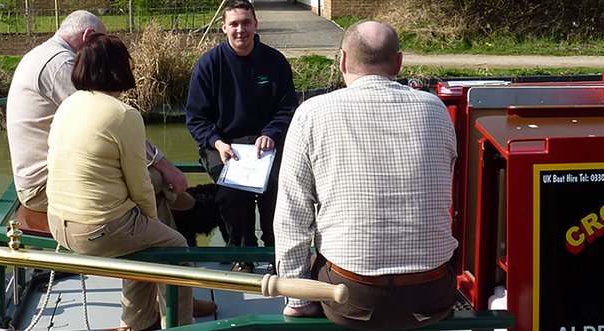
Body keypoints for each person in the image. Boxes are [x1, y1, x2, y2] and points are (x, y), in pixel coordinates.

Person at [6, 10, 214, 320]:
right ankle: (176, 309)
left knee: (149, 214)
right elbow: (136, 177)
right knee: (170, 238)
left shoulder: (62, 86)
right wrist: (153, 207)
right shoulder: (91, 88)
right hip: (59, 197)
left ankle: (145, 313)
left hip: (60, 199)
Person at [273, 21, 459, 330]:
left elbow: (291, 217)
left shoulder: (311, 113)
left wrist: (298, 300)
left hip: (350, 296)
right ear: (399, 63)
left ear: (342, 60)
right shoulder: (435, 109)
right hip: (430, 294)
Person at [45, 33, 195, 331]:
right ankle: (180, 324)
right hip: (98, 228)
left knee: (142, 237)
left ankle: (139, 320)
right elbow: (139, 184)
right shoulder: (124, 115)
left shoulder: (69, 105)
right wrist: (153, 221)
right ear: (120, 68)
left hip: (58, 223)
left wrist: (146, 226)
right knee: (174, 246)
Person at [6, 10, 189, 232]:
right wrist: (165, 165)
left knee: (145, 175)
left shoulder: (42, 54)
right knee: (152, 177)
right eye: (101, 41)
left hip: (43, 178)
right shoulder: (61, 65)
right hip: (46, 188)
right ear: (88, 36)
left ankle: (170, 223)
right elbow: (105, 120)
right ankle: (165, 248)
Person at [185, 0, 297, 273]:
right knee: (232, 193)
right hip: (223, 143)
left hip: (265, 143)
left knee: (276, 189)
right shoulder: (209, 65)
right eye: (233, 24)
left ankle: (275, 251)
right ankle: (242, 253)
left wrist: (271, 133)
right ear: (223, 27)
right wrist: (217, 142)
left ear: (256, 24)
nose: (240, 30)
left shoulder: (275, 62)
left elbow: (287, 108)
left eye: (246, 23)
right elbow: (196, 118)